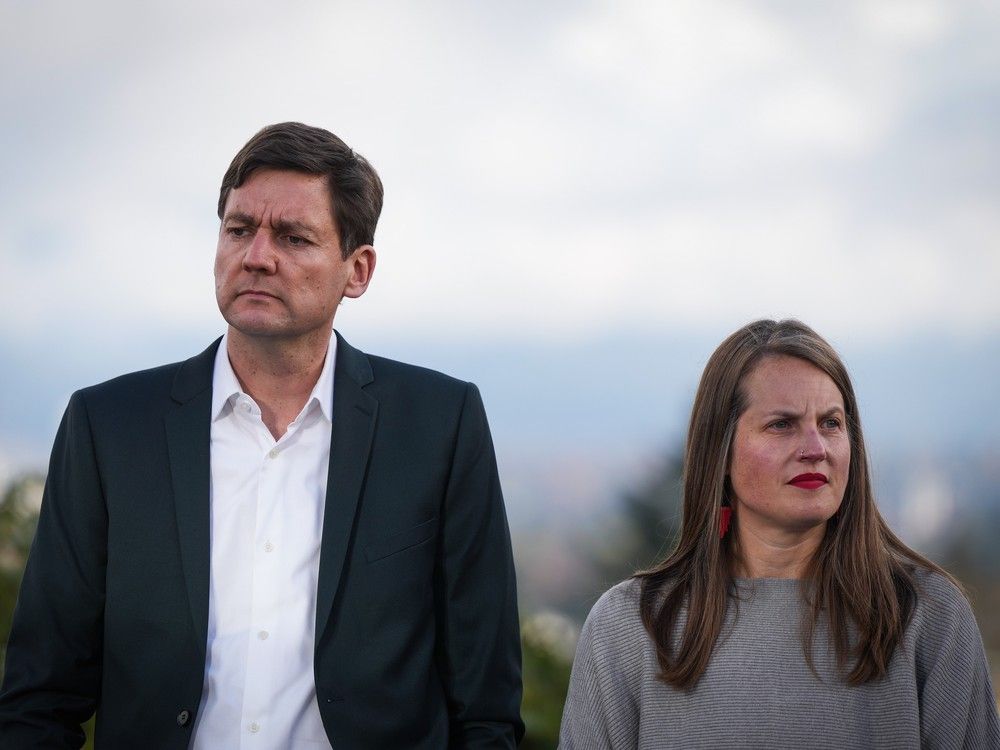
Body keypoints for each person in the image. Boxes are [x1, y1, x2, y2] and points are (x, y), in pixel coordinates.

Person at [0, 122, 523, 748]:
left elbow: (486, 705)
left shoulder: (440, 423)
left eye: (294, 237)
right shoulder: (109, 427)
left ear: (357, 271)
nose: (256, 256)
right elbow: (39, 698)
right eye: (239, 229)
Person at [559, 319, 999, 749]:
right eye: (782, 424)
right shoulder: (632, 627)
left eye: (831, 423)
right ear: (721, 452)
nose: (815, 448)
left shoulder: (929, 617)